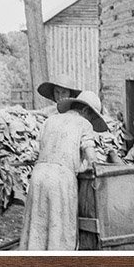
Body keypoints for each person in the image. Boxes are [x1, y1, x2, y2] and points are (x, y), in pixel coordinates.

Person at [20, 90, 109, 251]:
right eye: (92, 116)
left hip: (39, 175)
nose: (91, 120)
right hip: (61, 178)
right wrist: (97, 167)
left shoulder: (51, 120)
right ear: (85, 111)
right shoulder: (84, 124)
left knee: (37, 225)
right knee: (59, 226)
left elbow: (39, 148)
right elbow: (90, 153)